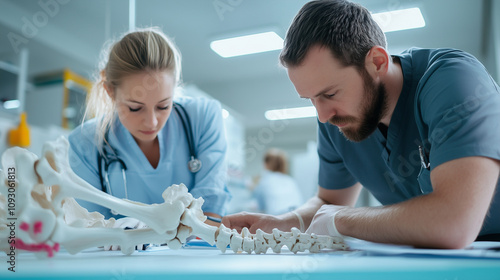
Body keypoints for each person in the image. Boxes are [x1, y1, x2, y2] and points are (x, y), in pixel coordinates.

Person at [222, 0, 500, 249]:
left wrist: (342, 220)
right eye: (311, 99)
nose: (322, 115)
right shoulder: (336, 119)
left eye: (330, 94)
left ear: (377, 62)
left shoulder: (452, 81)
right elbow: (328, 203)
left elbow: (454, 223)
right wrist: (284, 222)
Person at [68, 28, 230, 227]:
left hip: (193, 253)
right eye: (135, 108)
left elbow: (209, 213)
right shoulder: (85, 145)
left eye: (163, 106)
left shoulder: (202, 118)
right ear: (110, 91)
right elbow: (92, 226)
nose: (152, 122)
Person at [253, 149, 303, 215]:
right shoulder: (290, 180)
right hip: (296, 217)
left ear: (266, 164)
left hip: (277, 219)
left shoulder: (264, 180)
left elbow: (260, 208)